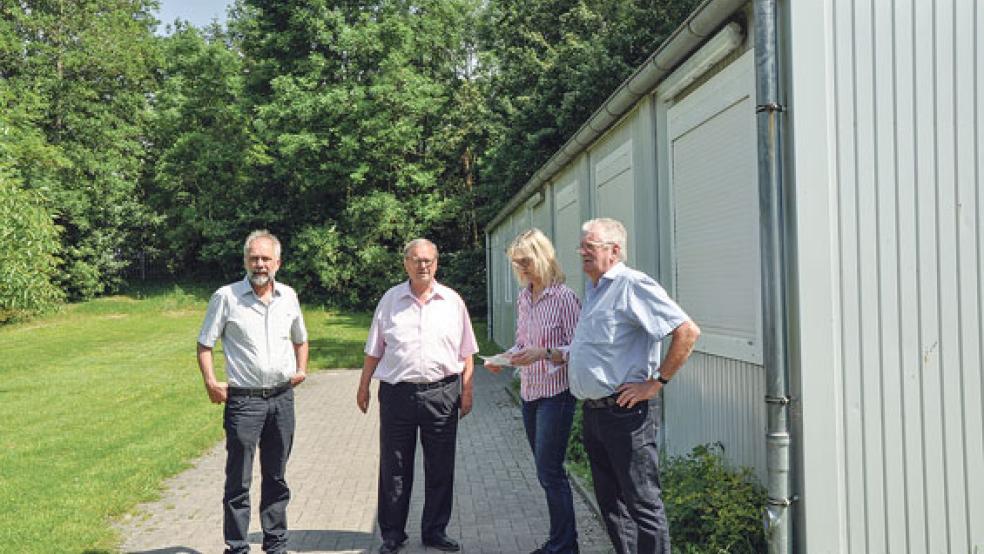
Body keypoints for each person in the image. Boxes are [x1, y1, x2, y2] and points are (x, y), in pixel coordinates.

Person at [566, 218, 700, 554]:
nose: (581, 251)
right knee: (611, 506)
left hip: (626, 415)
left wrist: (655, 384)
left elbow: (687, 331)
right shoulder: (596, 289)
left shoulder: (631, 284)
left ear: (614, 250)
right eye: (581, 245)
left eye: (589, 246)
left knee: (642, 505)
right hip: (596, 415)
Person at [356, 238, 478, 554]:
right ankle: (392, 534)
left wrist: (467, 390)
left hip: (443, 394)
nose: (422, 265)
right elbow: (374, 348)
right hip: (398, 395)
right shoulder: (390, 300)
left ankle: (435, 531)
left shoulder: (452, 301)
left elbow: (467, 352)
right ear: (405, 263)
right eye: (415, 259)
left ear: (436, 263)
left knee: (440, 467)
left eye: (428, 260)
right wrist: (363, 384)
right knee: (394, 466)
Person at [196, 230, 309, 554]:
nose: (259, 264)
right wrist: (211, 382)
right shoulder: (226, 297)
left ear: (278, 262)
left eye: (265, 258)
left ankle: (276, 545)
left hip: (281, 399)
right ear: (246, 261)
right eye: (253, 258)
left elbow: (300, 337)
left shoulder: (288, 296)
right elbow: (205, 344)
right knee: (238, 481)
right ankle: (237, 546)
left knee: (277, 477)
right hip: (244, 402)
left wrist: (301, 369)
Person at [484, 228, 581, 554]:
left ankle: (564, 546)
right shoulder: (525, 297)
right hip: (530, 392)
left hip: (557, 394)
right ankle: (561, 542)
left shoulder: (565, 298)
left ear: (542, 258)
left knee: (550, 471)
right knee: (545, 472)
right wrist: (504, 358)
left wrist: (545, 353)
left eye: (525, 262)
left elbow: (579, 349)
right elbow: (523, 343)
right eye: (516, 264)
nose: (521, 269)